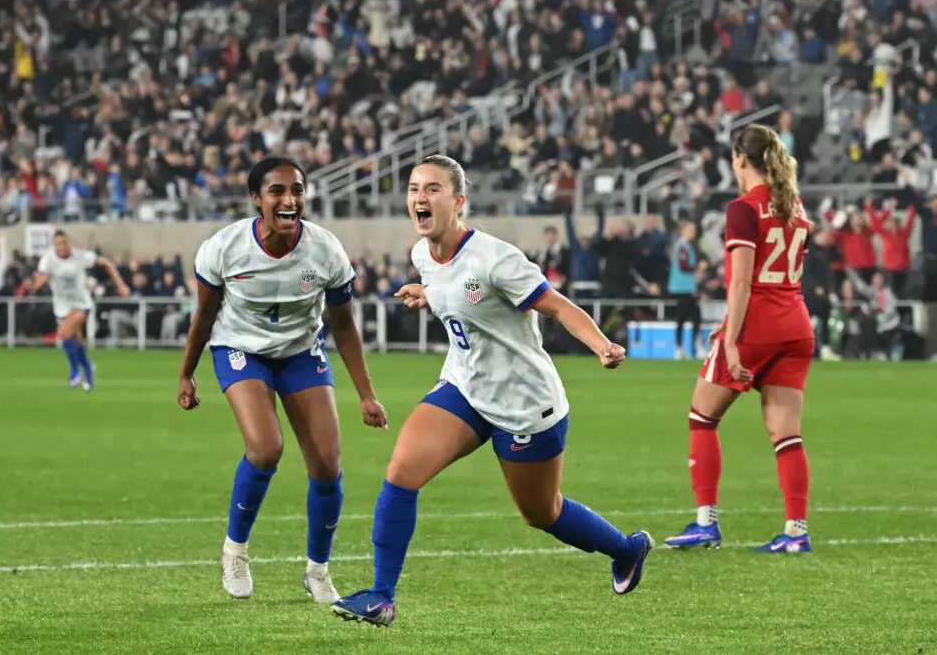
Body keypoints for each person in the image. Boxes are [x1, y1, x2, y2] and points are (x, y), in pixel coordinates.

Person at [331, 155, 652, 627]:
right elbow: (449, 290)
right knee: (400, 475)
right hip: (465, 387)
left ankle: (626, 550)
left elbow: (558, 307)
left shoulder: (496, 260)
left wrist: (601, 344)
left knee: (542, 512)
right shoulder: (423, 255)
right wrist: (428, 295)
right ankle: (382, 596)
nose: (420, 197)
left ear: (458, 202)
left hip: (525, 405)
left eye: (433, 189)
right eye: (414, 187)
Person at [176, 155, 388, 603]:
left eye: (297, 190)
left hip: (300, 353)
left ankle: (317, 570)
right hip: (240, 350)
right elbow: (205, 315)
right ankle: (235, 550)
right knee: (266, 447)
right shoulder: (224, 247)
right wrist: (187, 374)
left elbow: (345, 327)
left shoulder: (326, 250)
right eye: (277, 191)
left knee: (328, 466)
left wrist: (366, 395)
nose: (289, 200)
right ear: (256, 199)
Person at [664, 124, 815, 553]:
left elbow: (743, 282)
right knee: (786, 434)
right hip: (796, 328)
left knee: (702, 417)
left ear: (740, 160)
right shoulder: (795, 207)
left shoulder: (744, 208)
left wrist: (730, 339)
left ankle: (705, 522)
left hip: (757, 327)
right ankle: (795, 532)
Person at [33, 230, 130, 390]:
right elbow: (38, 281)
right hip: (62, 305)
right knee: (76, 340)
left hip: (81, 303)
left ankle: (75, 372)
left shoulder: (80, 257)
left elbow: (106, 263)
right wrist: (39, 282)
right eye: (58, 244)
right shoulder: (48, 259)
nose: (62, 247)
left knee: (64, 332)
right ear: (53, 245)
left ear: (69, 242)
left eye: (64, 243)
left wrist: (121, 285)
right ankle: (88, 370)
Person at [668, 220, 703, 359]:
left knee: (683, 318)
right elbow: (684, 265)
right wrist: (697, 268)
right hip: (684, 288)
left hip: (683, 287)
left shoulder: (684, 246)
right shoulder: (683, 246)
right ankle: (694, 347)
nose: (692, 233)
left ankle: (681, 348)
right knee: (693, 318)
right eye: (690, 230)